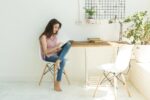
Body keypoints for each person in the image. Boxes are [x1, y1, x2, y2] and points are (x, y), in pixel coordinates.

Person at [39, 19, 71, 91]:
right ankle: (57, 83)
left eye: (58, 28)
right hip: (48, 57)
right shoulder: (43, 37)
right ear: (50, 27)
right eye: (55, 27)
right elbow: (45, 52)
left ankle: (58, 60)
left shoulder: (55, 36)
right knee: (63, 61)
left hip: (55, 55)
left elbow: (54, 49)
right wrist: (56, 48)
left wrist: (58, 48)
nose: (57, 29)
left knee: (69, 43)